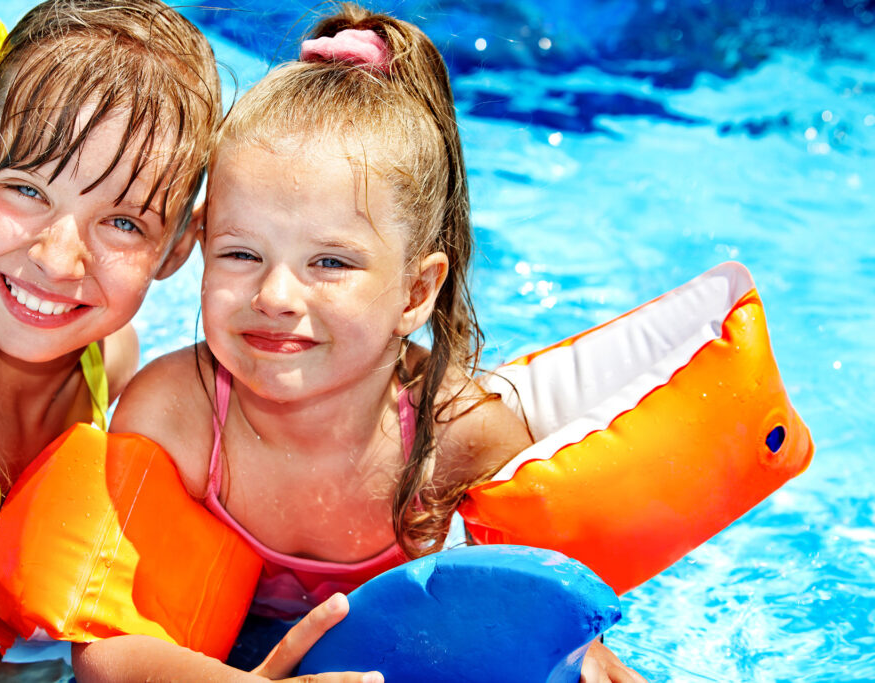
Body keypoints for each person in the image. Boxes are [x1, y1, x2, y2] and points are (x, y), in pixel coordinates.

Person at [87, 4, 644, 682]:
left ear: (415, 291)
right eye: (240, 254)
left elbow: (541, 599)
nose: (276, 295)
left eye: (330, 263)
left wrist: (581, 651)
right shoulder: (177, 415)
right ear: (200, 243)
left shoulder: (459, 437)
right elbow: (103, 655)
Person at [0, 3, 355, 681]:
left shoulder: (110, 359)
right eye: (25, 188)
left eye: (121, 221)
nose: (59, 260)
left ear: (180, 245)